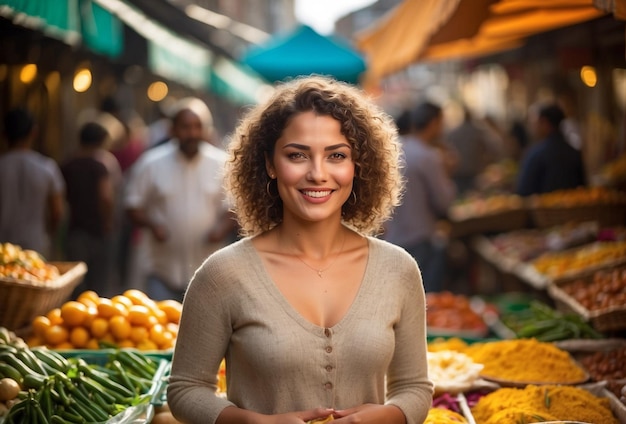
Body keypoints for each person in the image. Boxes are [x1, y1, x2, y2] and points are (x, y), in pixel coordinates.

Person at [167, 76, 433, 423]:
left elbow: (415, 387)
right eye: (297, 155)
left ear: (357, 166)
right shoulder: (223, 274)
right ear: (269, 164)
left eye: (337, 155)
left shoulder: (398, 269)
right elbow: (185, 389)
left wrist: (388, 416)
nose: (318, 174)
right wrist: (256, 423)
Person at [124, 97, 236, 301]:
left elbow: (234, 207)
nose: (192, 133)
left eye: (197, 127)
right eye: (185, 127)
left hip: (209, 274)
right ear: (172, 130)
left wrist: (221, 229)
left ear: (206, 130)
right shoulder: (151, 164)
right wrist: (152, 224)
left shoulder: (222, 164)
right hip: (161, 271)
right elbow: (132, 204)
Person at [383, 101, 457, 293]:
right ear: (433, 123)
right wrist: (447, 173)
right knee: (425, 299)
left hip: (394, 236)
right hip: (420, 237)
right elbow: (444, 201)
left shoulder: (395, 150)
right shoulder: (428, 156)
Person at [61, 121, 122, 297]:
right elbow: (106, 197)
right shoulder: (99, 165)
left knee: (76, 282)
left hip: (75, 229)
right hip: (98, 230)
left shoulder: (68, 164)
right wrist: (109, 223)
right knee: (98, 281)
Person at [0, 108, 65, 258]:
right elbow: (57, 212)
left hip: (2, 247)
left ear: (4, 134)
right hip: (36, 245)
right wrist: (50, 234)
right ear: (34, 132)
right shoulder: (47, 168)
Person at [516, 103, 586, 196]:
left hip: (544, 209)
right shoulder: (574, 152)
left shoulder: (536, 155)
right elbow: (582, 187)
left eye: (536, 122)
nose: (533, 127)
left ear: (545, 123)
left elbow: (523, 191)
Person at [444, 107, 500, 195]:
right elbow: (493, 149)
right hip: (474, 173)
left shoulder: (453, 133)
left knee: (462, 197)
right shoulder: (478, 132)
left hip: (458, 173)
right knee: (474, 197)